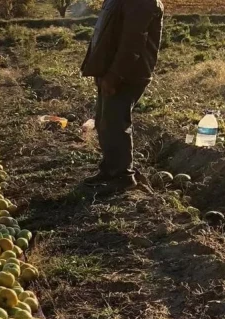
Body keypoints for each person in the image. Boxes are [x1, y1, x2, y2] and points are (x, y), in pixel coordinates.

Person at [80, 0, 164, 191]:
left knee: (115, 122)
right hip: (111, 70)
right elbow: (105, 34)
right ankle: (110, 170)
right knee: (105, 121)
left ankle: (122, 176)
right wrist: (99, 69)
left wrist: (115, 75)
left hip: (128, 74)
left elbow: (132, 42)